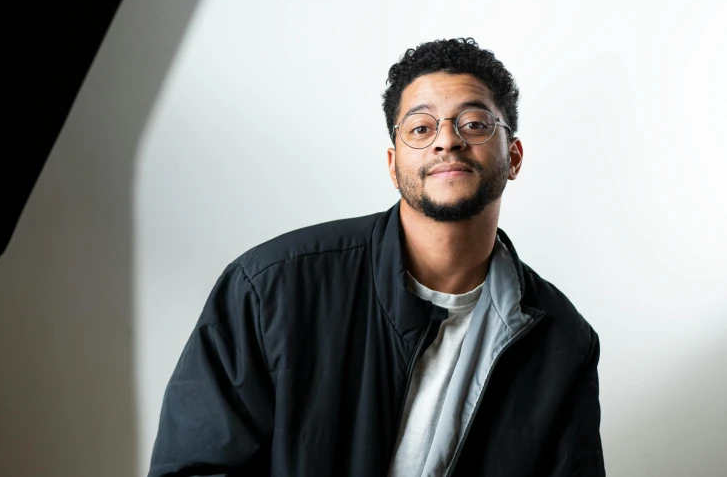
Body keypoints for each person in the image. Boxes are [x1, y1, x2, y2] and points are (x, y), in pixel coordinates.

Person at [148, 38, 605, 477]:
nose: (447, 140)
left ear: (514, 156)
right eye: (421, 128)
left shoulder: (562, 343)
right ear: (393, 165)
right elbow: (195, 467)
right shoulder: (272, 288)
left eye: (474, 123)